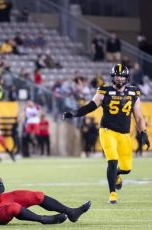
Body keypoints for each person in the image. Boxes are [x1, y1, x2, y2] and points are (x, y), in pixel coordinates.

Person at [63, 64, 150, 204]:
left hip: (124, 134)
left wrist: (144, 133)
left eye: (122, 76)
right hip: (107, 131)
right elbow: (91, 106)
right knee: (112, 160)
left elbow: (138, 116)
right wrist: (75, 113)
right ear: (112, 77)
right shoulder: (104, 91)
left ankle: (117, 175)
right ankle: (112, 194)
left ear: (126, 77)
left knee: (127, 168)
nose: (119, 78)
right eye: (117, 75)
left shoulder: (134, 92)